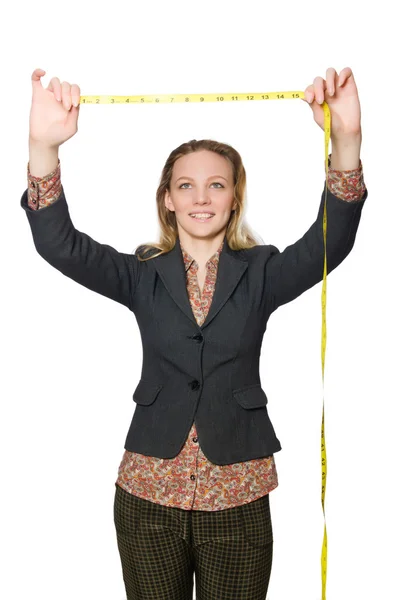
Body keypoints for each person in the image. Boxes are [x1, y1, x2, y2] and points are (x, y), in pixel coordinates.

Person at [21, 67, 367, 600]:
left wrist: (346, 140)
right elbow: (60, 246)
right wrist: (42, 148)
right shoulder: (140, 275)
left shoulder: (263, 273)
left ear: (234, 197)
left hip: (239, 496)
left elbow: (332, 242)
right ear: (168, 199)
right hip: (148, 494)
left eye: (216, 185)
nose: (201, 197)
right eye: (186, 185)